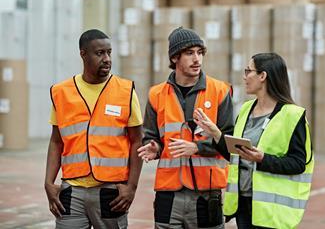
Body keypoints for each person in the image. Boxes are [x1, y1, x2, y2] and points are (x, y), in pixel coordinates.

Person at [193, 53, 314, 229]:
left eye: (248, 71)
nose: (245, 76)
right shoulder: (246, 109)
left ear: (262, 76)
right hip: (243, 204)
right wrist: (216, 133)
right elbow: (235, 155)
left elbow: (297, 163)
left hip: (271, 210)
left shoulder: (293, 115)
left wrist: (262, 159)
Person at [44, 29, 143, 229]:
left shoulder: (125, 91)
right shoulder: (61, 92)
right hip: (71, 191)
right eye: (100, 53)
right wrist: (48, 182)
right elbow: (56, 141)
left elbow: (137, 142)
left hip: (110, 192)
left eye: (109, 52)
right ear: (83, 54)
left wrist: (131, 187)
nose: (107, 59)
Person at [137, 27, 234, 228]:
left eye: (200, 52)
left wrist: (197, 148)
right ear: (174, 58)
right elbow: (151, 136)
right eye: (190, 53)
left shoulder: (220, 91)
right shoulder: (156, 95)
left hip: (206, 194)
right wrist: (154, 147)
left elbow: (229, 141)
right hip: (168, 193)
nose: (197, 59)